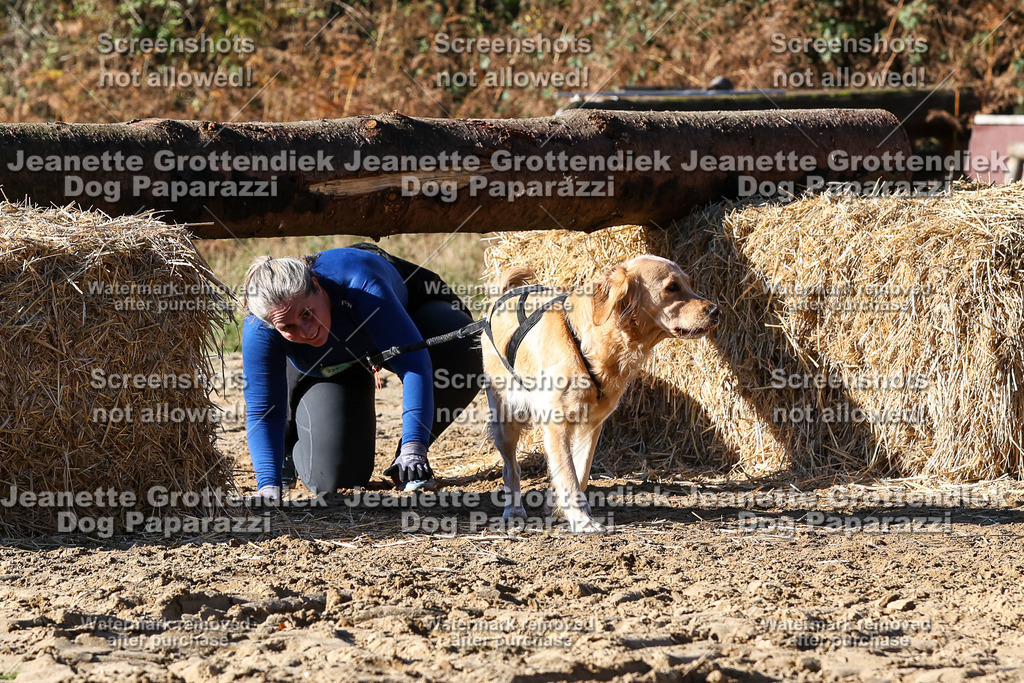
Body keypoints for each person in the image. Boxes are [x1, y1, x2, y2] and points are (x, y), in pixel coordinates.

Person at [241, 243, 482, 500]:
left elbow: (414, 365)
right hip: (329, 365)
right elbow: (264, 410)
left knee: (469, 349)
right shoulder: (260, 327)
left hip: (403, 319)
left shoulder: (361, 285)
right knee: (336, 479)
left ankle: (407, 462)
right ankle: (289, 448)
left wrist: (414, 447)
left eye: (308, 313)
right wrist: (268, 486)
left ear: (317, 285)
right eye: (288, 327)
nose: (307, 331)